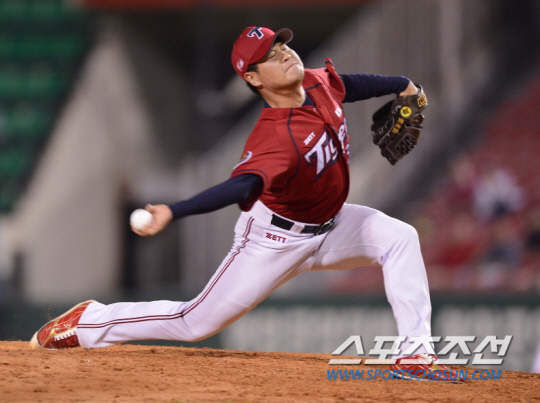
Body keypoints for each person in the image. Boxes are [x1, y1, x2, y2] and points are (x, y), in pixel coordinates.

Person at [30, 26, 463, 382]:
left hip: (333, 225)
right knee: (194, 322)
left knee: (399, 238)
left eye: (282, 45)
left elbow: (350, 85)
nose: (284, 54)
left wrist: (405, 86)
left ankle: (415, 356)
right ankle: (89, 322)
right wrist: (174, 211)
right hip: (273, 240)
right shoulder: (275, 137)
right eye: (270, 56)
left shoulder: (316, 82)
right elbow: (240, 187)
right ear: (254, 79)